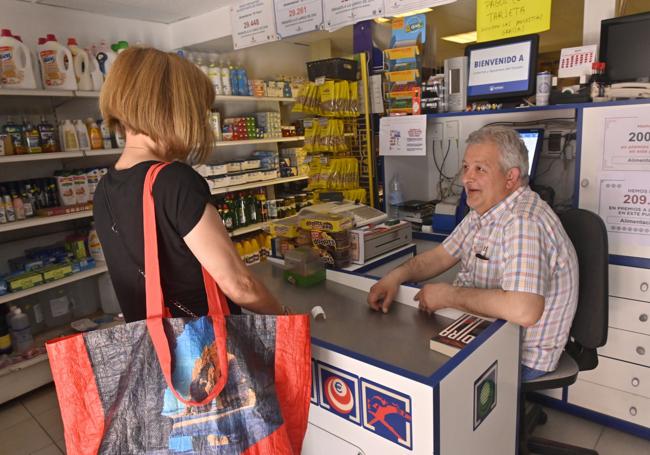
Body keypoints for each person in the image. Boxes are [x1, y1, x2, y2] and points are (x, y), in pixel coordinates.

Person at [367, 126, 578, 381]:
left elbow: (525, 310)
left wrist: (448, 295)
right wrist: (395, 277)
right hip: (485, 331)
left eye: (480, 169)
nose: (466, 178)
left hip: (520, 355)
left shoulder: (524, 221)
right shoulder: (484, 210)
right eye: (465, 167)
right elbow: (439, 257)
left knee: (410, 368)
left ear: (510, 178)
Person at [94, 47, 285, 322]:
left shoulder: (104, 188)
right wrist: (285, 317)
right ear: (175, 110)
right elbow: (240, 286)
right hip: (203, 349)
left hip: (157, 349)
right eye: (199, 111)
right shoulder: (174, 181)